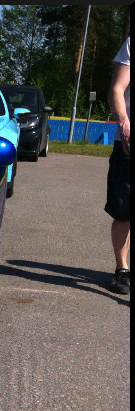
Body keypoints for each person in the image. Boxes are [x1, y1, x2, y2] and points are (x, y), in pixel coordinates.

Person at [106, 36, 130, 294]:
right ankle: (122, 269)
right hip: (128, 143)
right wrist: (124, 124)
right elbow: (117, 89)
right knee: (124, 211)